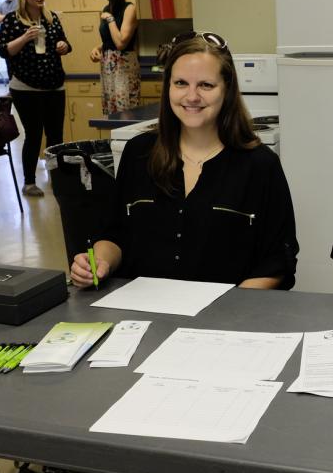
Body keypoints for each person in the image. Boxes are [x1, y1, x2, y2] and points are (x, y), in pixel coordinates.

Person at [70, 31, 298, 289]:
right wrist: (98, 262)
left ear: (228, 90)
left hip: (225, 320)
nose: (191, 96)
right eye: (180, 83)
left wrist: (226, 309)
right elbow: (114, 235)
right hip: (144, 314)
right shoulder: (138, 154)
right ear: (168, 86)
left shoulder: (260, 165)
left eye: (206, 85)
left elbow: (279, 261)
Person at [0, 0, 71, 198]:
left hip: (54, 85)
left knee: (56, 135)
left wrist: (63, 46)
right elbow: (4, 50)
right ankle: (29, 182)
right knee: (34, 134)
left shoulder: (52, 18)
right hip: (26, 88)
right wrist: (24, 38)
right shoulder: (12, 20)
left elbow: (67, 44)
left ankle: (58, 178)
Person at [90, 0, 140, 115]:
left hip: (123, 67)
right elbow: (110, 40)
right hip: (108, 66)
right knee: (111, 113)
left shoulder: (129, 8)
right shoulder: (106, 8)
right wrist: (98, 49)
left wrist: (110, 19)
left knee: (126, 113)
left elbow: (121, 43)